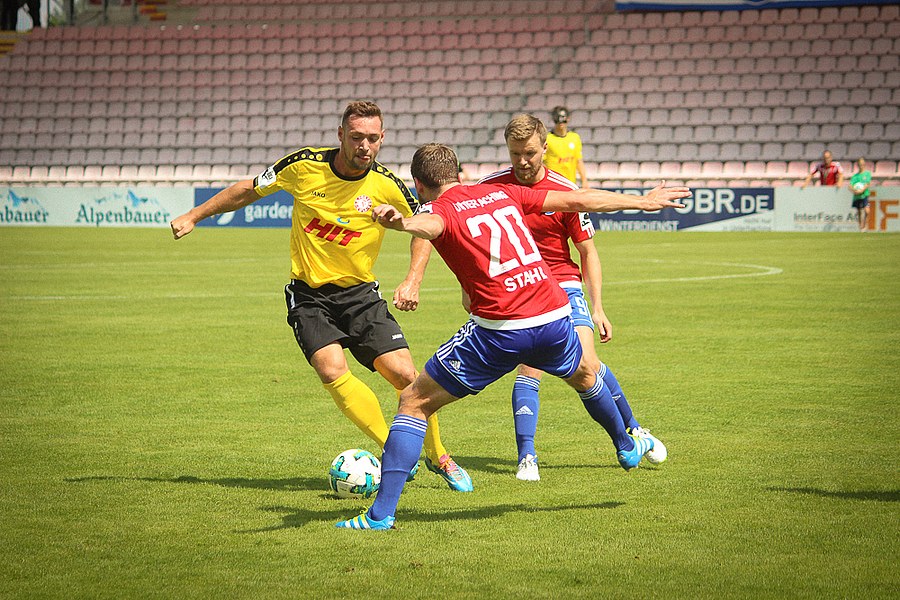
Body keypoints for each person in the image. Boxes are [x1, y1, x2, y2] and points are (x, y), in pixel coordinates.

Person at [336, 143, 690, 530]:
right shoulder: (502, 192)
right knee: (586, 375)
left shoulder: (440, 210)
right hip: (554, 314)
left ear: (418, 186)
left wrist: (401, 223)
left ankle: (380, 515)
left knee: (414, 402)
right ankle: (625, 444)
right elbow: (578, 199)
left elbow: (429, 225)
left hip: (502, 329)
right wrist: (643, 201)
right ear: (460, 174)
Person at [169, 101, 472, 492]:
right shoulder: (303, 166)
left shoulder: (387, 184)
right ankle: (396, 450)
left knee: (405, 376)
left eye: (373, 138)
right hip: (309, 296)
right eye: (357, 137)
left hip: (361, 295)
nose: (365, 146)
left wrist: (413, 280)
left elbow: (426, 227)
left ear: (383, 139)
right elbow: (248, 190)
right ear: (341, 135)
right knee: (331, 370)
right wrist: (194, 215)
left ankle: (439, 456)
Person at [479, 114, 666, 482]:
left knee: (588, 365)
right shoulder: (492, 188)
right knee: (529, 365)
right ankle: (527, 456)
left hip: (564, 284)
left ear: (544, 148)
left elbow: (587, 251)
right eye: (515, 154)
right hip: (522, 289)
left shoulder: (563, 191)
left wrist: (598, 308)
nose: (522, 161)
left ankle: (633, 429)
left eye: (530, 153)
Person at [543, 106, 588, 186]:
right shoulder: (547, 139)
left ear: (568, 118)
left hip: (570, 184)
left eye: (563, 117)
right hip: (553, 184)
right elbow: (541, 163)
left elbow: (579, 161)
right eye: (557, 118)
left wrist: (584, 180)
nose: (560, 121)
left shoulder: (575, 137)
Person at [848, 157, 873, 231]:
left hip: (865, 195)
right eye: (860, 164)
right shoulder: (855, 176)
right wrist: (854, 190)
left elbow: (867, 184)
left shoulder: (867, 174)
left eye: (863, 164)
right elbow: (850, 186)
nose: (861, 166)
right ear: (858, 165)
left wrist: (862, 190)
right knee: (859, 212)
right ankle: (861, 227)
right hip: (857, 196)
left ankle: (865, 225)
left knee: (867, 211)